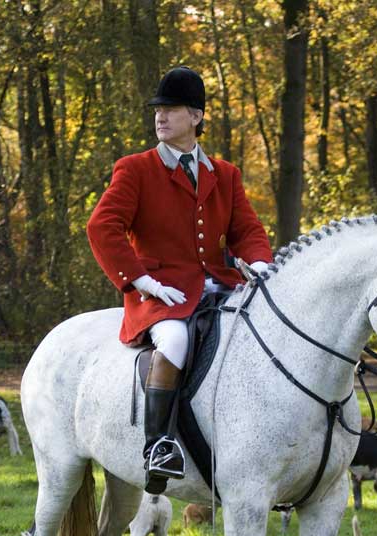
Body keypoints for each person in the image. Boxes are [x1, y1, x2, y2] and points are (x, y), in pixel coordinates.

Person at [87, 66, 272, 494]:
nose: (160, 118)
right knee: (174, 342)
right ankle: (159, 446)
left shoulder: (225, 174)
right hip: (161, 294)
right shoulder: (135, 169)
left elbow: (246, 232)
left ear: (196, 116)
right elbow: (102, 227)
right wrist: (140, 280)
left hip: (220, 284)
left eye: (170, 110)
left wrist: (260, 264)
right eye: (158, 110)